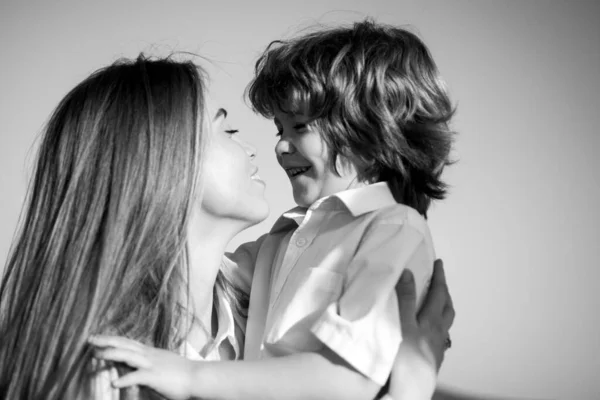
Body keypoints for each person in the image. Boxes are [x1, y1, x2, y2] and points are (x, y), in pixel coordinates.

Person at [0, 54, 453, 400]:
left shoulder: (241, 316)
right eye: (228, 131)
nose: (270, 149)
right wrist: (410, 389)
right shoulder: (108, 361)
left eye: (298, 127)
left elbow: (344, 378)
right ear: (160, 161)